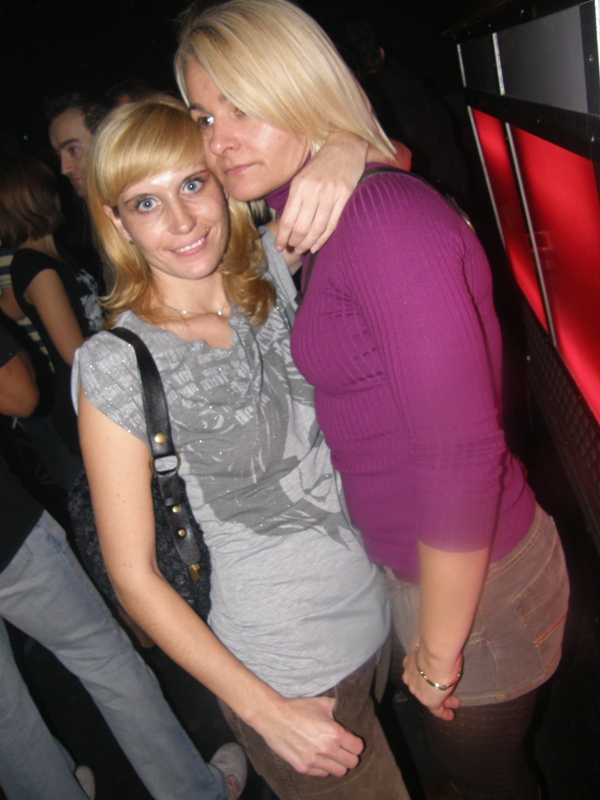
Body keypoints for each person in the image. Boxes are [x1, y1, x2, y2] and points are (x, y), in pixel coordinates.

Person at [175, 2, 570, 798]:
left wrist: (440, 652)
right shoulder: (313, 211)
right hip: (429, 572)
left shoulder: (384, 221)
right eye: (205, 117)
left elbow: (461, 455)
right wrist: (351, 145)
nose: (219, 141)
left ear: (299, 84)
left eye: (242, 106)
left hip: (477, 587)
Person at [76, 95, 408, 800]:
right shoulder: (117, 362)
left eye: (192, 184)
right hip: (289, 678)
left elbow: (396, 163)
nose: (182, 221)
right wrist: (266, 713)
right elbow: (134, 577)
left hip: (379, 612)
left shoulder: (266, 271)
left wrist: (344, 147)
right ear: (117, 222)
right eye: (145, 203)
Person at [0, 318, 243, 800]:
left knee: (6, 714)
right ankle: (192, 793)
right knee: (102, 657)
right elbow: (20, 394)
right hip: (8, 534)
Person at [0, 155, 103, 470]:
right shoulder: (36, 267)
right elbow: (74, 351)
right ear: (40, 198)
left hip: (94, 391)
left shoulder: (55, 258)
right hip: (86, 400)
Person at [46, 93, 107, 289]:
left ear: (106, 139)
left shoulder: (144, 206)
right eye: (59, 154)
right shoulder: (101, 214)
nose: (64, 169)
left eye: (73, 150)